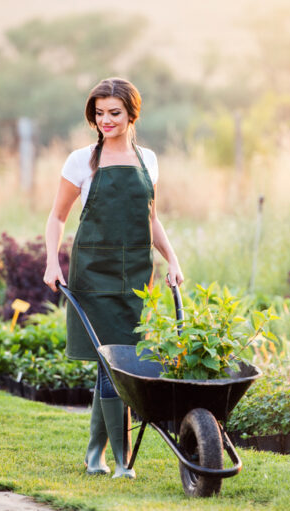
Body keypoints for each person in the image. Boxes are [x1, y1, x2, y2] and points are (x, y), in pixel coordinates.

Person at [43, 77, 184, 479]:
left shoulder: (149, 161)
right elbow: (56, 218)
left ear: (132, 114)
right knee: (112, 366)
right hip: (92, 275)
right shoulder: (80, 161)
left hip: (136, 275)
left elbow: (151, 219)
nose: (105, 120)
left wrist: (172, 259)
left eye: (114, 113)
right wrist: (52, 261)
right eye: (99, 113)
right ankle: (120, 462)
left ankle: (94, 456)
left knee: (118, 363)